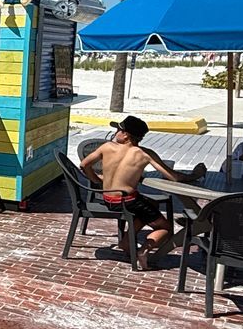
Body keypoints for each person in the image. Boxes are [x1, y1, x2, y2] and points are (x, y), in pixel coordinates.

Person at [79, 115, 205, 269]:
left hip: (109, 199)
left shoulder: (107, 147)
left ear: (126, 135)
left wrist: (98, 181)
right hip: (129, 201)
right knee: (165, 228)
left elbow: (84, 165)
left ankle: (126, 242)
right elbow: (173, 177)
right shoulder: (144, 154)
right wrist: (195, 175)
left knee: (150, 205)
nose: (116, 132)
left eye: (119, 129)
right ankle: (144, 251)